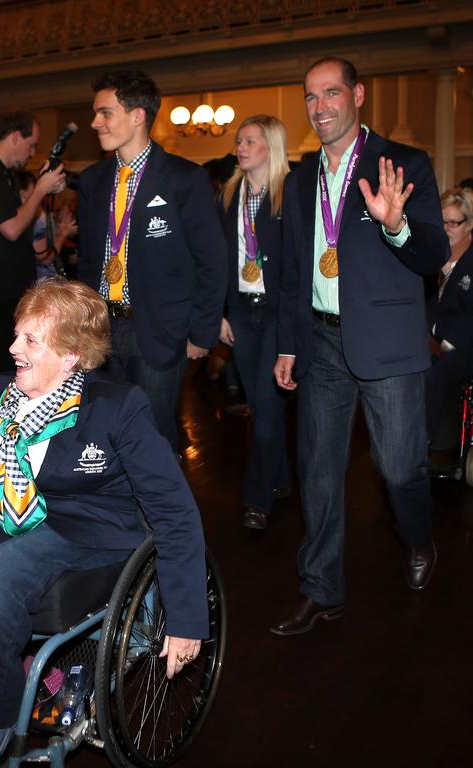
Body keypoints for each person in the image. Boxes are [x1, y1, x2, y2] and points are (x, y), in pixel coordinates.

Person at [0, 278, 208, 768]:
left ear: (72, 354)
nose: (13, 348)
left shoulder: (118, 409)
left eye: (31, 340)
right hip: (9, 514)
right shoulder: (1, 394)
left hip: (90, 528)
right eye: (17, 335)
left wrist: (185, 619)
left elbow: (174, 510)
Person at [272, 57, 447, 635]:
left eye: (331, 93)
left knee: (399, 470)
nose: (320, 106)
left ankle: (418, 537)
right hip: (320, 340)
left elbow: (430, 255)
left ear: (359, 95)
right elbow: (295, 271)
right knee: (317, 469)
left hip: (388, 344)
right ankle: (321, 588)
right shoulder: (301, 180)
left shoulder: (403, 163)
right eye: (310, 97)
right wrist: (288, 343)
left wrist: (396, 226)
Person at [77, 70, 227, 454]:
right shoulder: (93, 181)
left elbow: (211, 259)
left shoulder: (183, 178)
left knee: (154, 438)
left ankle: (159, 515)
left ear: (138, 115)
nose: (95, 122)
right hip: (102, 330)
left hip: (160, 331)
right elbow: (89, 260)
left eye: (105, 113)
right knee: (105, 434)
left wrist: (202, 332)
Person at [216, 115, 291, 530]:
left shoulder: (290, 194)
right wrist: (219, 313)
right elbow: (215, 261)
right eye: (238, 141)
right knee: (263, 403)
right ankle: (280, 477)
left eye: (250, 141)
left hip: (278, 313)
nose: (240, 148)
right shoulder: (228, 196)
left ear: (271, 147)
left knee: (264, 406)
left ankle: (257, 499)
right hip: (241, 311)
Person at [0, 111, 66, 374]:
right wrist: (40, 189)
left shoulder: (2, 173)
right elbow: (12, 228)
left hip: (8, 285)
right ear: (14, 137)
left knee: (18, 363)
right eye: (31, 144)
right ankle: (4, 415)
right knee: (8, 365)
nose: (32, 152)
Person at [425, 187, 473, 466]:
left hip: (464, 346)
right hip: (431, 342)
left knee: (434, 376)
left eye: (453, 222)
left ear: (468, 226)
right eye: (441, 221)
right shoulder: (434, 259)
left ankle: (423, 443)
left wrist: (448, 342)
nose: (445, 228)